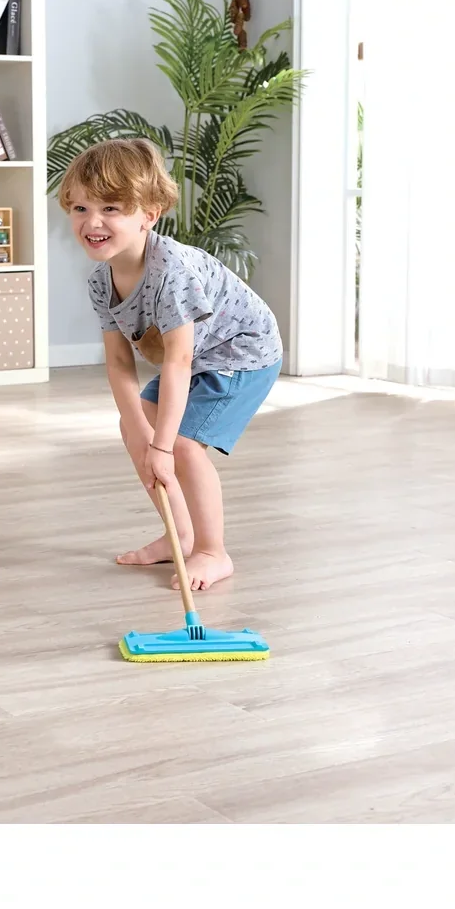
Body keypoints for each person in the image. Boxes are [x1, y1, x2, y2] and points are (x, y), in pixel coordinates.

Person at [58, 137, 282, 589]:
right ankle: (179, 535)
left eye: (110, 208)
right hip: (199, 357)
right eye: (80, 208)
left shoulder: (172, 272)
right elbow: (119, 361)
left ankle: (213, 552)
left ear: (149, 215)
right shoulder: (101, 280)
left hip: (242, 352)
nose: (92, 222)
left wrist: (160, 447)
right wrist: (142, 434)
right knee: (135, 428)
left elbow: (177, 362)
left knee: (180, 446)